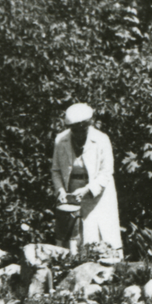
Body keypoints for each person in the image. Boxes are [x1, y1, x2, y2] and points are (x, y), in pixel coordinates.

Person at [51, 103, 123, 254]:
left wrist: (88, 189)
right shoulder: (60, 140)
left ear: (89, 125)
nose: (79, 134)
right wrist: (61, 191)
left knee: (97, 234)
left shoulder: (102, 139)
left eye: (83, 130)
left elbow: (106, 172)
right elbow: (56, 170)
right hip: (72, 194)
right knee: (72, 236)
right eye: (75, 130)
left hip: (98, 193)